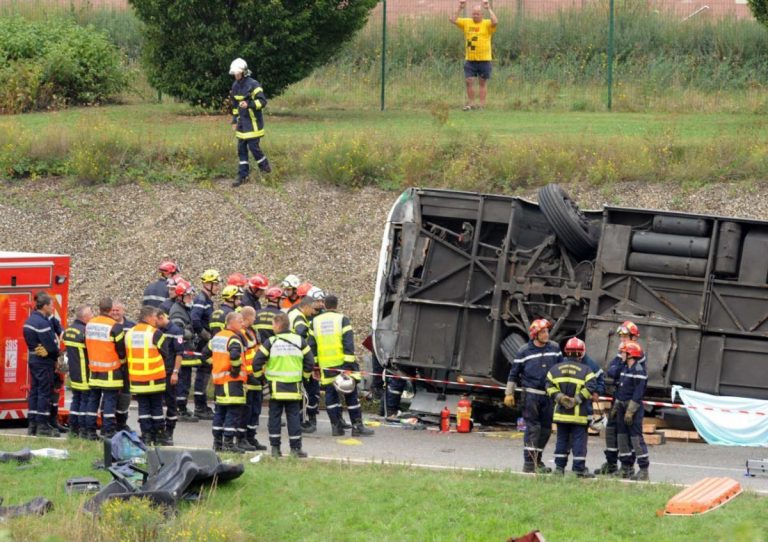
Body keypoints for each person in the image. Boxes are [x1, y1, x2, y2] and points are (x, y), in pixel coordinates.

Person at [253, 312, 315, 458]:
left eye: (273, 324)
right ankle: (295, 449)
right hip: (294, 388)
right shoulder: (300, 341)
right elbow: (310, 362)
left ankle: (275, 449)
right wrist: (304, 378)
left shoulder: (271, 342)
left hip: (275, 388)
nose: (272, 327)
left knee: (274, 418)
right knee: (293, 417)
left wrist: (260, 379)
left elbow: (256, 362)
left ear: (279, 324)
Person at [504, 318, 562, 473]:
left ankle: (537, 460)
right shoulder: (524, 351)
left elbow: (561, 369)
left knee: (546, 430)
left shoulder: (555, 348)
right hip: (531, 396)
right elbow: (514, 373)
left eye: (547, 331)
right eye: (543, 332)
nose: (546, 334)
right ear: (535, 335)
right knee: (533, 429)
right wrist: (509, 393)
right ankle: (529, 464)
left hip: (549, 396)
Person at [311, 295, 374, 437]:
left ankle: (336, 426)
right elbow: (348, 344)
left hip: (326, 366)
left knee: (330, 396)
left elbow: (312, 346)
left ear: (325, 305)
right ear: (336, 305)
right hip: (343, 364)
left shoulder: (315, 322)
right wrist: (348, 365)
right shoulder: (342, 320)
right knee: (351, 395)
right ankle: (357, 426)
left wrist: (315, 366)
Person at [595, 320, 645, 476]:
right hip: (618, 398)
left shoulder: (637, 355)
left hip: (629, 401)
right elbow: (611, 371)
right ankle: (611, 464)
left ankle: (628, 466)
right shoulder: (622, 354)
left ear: (634, 338)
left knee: (629, 436)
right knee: (612, 431)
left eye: (625, 336)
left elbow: (618, 372)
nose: (622, 339)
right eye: (621, 336)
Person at [546, 337, 596, 477]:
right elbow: (591, 386)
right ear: (581, 353)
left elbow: (548, 386)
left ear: (566, 352)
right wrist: (577, 400)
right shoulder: (586, 370)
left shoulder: (555, 369)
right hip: (578, 415)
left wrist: (560, 398)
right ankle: (578, 470)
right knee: (579, 442)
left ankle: (559, 469)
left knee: (561, 440)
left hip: (561, 414)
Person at [203, 311, 248, 453]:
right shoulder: (234, 339)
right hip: (232, 381)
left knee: (220, 412)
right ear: (231, 322)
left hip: (219, 381)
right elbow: (235, 355)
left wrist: (216, 365)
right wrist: (234, 369)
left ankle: (217, 443)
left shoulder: (216, 337)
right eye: (240, 321)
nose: (242, 323)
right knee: (233, 412)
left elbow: (205, 354)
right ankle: (228, 443)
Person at [125, 306, 169, 446]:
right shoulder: (155, 333)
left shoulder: (129, 333)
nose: (157, 320)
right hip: (154, 378)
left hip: (137, 379)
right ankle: (159, 435)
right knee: (156, 407)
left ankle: (146, 435)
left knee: (143, 408)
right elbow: (165, 353)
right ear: (149, 317)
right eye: (155, 317)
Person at [85, 297, 127, 439]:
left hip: (94, 369)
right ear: (110, 310)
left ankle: (89, 430)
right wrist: (122, 362)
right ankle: (108, 429)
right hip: (111, 370)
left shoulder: (90, 324)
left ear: (99, 308)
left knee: (93, 400)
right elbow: (121, 349)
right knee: (110, 401)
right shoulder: (115, 326)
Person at [609, 340, 650, 481]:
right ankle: (626, 467)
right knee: (622, 438)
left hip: (633, 409)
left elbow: (638, 393)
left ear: (630, 354)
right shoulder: (624, 368)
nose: (621, 354)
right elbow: (621, 390)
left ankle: (643, 469)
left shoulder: (639, 370)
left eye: (624, 352)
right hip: (621, 407)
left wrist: (630, 411)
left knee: (635, 438)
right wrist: (616, 406)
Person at [22, 291, 61, 438]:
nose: (52, 308)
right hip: (44, 363)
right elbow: (50, 345)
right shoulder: (42, 323)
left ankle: (32, 424)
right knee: (44, 393)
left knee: (35, 392)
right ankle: (42, 426)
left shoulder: (30, 320)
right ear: (44, 306)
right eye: (51, 305)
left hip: (34, 360)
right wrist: (57, 357)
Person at [229, 57, 271, 187]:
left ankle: (266, 171)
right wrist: (234, 120)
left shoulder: (253, 84)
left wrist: (249, 104)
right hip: (242, 125)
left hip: (253, 123)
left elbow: (262, 102)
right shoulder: (235, 86)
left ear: (244, 72)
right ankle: (243, 175)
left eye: (237, 73)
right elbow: (235, 105)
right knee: (241, 149)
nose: (236, 75)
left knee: (254, 148)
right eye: (234, 73)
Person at [449, 0, 498, 111]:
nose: (475, 15)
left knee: (482, 82)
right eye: (474, 13)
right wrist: (460, 7)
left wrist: (488, 8)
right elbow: (452, 19)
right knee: (469, 81)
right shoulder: (467, 22)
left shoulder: (486, 24)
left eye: (478, 14)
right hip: (470, 59)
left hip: (484, 59)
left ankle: (481, 105)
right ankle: (471, 104)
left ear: (482, 15)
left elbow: (495, 21)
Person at [169, 279, 202, 422]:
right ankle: (179, 408)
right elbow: (178, 331)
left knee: (186, 380)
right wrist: (187, 333)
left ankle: (181, 406)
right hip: (182, 353)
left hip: (186, 353)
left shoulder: (184, 309)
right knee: (182, 382)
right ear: (180, 297)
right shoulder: (177, 312)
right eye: (188, 296)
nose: (191, 298)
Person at [190, 269, 222, 420]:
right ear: (207, 284)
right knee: (203, 374)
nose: (217, 287)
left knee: (205, 373)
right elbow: (195, 320)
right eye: (215, 284)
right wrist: (207, 336)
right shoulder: (201, 300)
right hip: (203, 342)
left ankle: (201, 405)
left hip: (206, 341)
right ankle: (199, 406)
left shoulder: (207, 300)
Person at [238, 306, 267, 451]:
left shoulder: (253, 332)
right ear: (247, 317)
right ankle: (241, 438)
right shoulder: (241, 333)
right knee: (246, 411)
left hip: (256, 376)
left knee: (255, 410)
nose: (255, 319)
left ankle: (251, 436)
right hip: (248, 378)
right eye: (253, 317)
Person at [63, 304, 94, 439]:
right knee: (85, 401)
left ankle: (73, 427)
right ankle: (83, 429)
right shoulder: (84, 332)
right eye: (91, 314)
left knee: (76, 400)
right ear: (85, 317)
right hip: (84, 372)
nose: (92, 316)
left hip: (74, 373)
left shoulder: (69, 330)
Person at [288, 297, 319, 433]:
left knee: (299, 392)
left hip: (291, 359)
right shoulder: (300, 318)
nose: (313, 312)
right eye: (312, 309)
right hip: (298, 360)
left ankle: (300, 420)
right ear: (306, 306)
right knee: (304, 392)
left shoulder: (293, 314)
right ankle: (300, 421)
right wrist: (306, 352)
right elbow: (300, 334)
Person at [157, 309, 183, 445]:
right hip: (158, 372)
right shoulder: (158, 330)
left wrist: (175, 372)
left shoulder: (175, 330)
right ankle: (159, 430)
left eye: (157, 321)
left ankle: (169, 431)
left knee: (171, 403)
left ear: (161, 317)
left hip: (169, 373)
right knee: (157, 403)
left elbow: (179, 353)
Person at [110, 300, 135, 432]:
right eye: (113, 310)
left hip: (127, 366)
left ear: (123, 311)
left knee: (126, 394)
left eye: (117, 310)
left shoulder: (131, 326)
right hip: (111, 365)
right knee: (110, 395)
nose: (115, 313)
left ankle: (121, 422)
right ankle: (110, 423)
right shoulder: (107, 324)